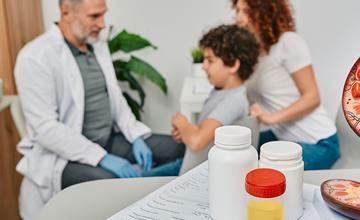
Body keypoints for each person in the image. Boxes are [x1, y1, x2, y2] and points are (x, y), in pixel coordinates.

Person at [14, 0, 184, 218]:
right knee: (110, 186)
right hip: (65, 156)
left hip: (109, 139)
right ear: (66, 12)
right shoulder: (35, 57)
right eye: (94, 17)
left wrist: (135, 136)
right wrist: (102, 158)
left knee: (176, 149)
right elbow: (46, 128)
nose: (103, 24)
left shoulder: (97, 45)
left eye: (103, 15)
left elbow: (115, 97)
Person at [232, 0, 340, 170]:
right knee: (236, 155)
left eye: (245, 11)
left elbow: (312, 98)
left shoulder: (288, 42)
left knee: (254, 171)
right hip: (284, 137)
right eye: (237, 11)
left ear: (264, 12)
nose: (238, 18)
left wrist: (270, 118)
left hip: (319, 143)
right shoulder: (255, 54)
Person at [145, 24, 261, 176]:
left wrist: (182, 123)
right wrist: (185, 132)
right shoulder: (221, 92)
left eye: (210, 61)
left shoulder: (233, 102)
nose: (204, 66)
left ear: (233, 65)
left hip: (200, 172)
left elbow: (197, 141)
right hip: (195, 164)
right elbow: (203, 132)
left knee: (140, 180)